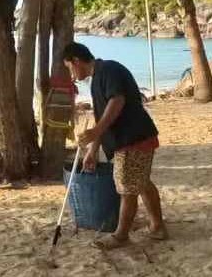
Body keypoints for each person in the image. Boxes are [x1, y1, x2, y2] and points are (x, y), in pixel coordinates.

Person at [62, 42, 168, 250]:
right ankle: (157, 227)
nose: (71, 74)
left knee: (127, 187)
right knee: (141, 182)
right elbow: (101, 117)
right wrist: (93, 150)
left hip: (133, 139)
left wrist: (94, 132)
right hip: (136, 137)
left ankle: (121, 235)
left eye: (69, 68)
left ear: (76, 61)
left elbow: (117, 101)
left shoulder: (109, 69)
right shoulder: (97, 79)